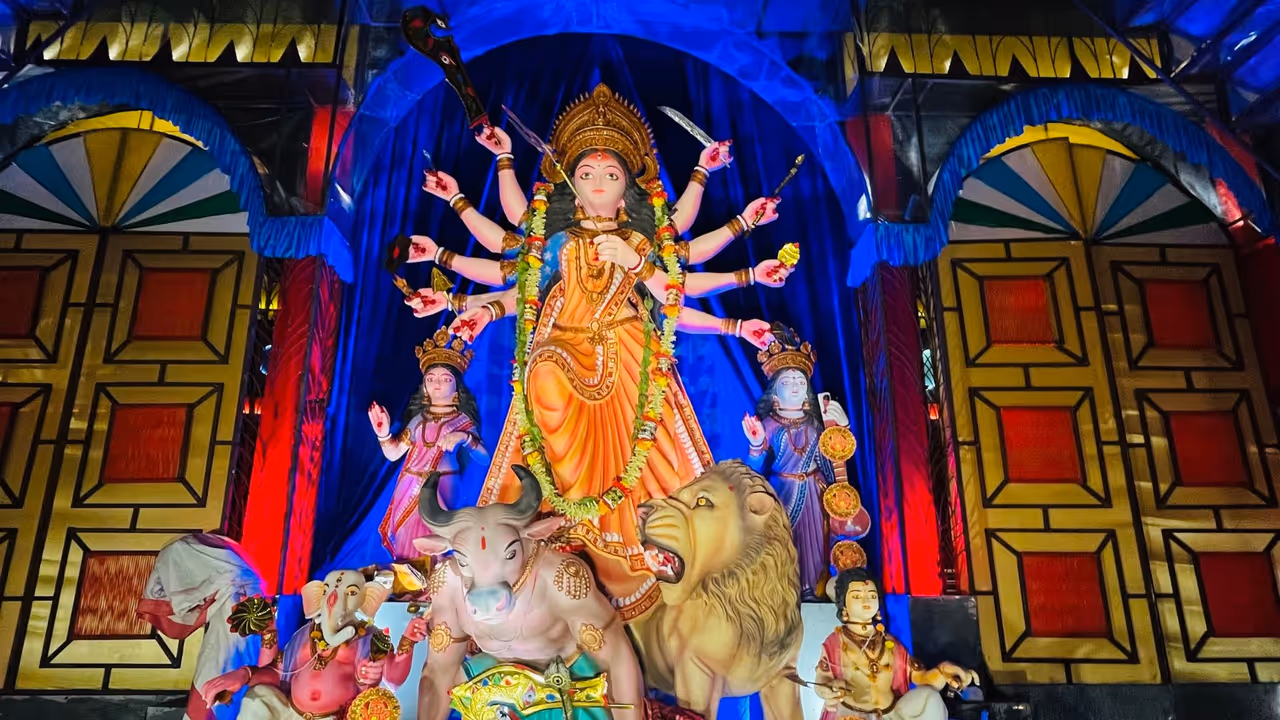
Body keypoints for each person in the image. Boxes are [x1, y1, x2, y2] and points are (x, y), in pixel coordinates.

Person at [402, 84, 789, 620]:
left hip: (628, 353)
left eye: (610, 174)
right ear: (572, 185)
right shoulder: (555, 242)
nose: (598, 182)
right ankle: (561, 528)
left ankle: (639, 545)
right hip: (561, 346)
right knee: (543, 373)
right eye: (585, 174)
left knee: (642, 452)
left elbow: (677, 287)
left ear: (628, 187)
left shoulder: (641, 241)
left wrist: (735, 303)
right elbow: (508, 271)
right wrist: (469, 301)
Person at [744, 326, 866, 600]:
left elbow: (833, 456)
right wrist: (756, 443)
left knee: (815, 545)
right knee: (783, 541)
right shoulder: (769, 424)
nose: (795, 386)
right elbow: (752, 470)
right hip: (781, 491)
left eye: (800, 381)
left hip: (814, 491)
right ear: (775, 394)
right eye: (787, 382)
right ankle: (783, 593)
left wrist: (840, 428)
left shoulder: (816, 423)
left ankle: (812, 590)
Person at [368, 327, 487, 562]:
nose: (437, 384)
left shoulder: (462, 421)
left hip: (444, 487)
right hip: (409, 487)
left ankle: (440, 581)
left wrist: (464, 438)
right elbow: (394, 453)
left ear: (456, 387)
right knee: (407, 548)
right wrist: (383, 434)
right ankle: (409, 581)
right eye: (431, 379)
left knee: (439, 545)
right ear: (424, 386)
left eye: (445, 379)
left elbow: (484, 458)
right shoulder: (418, 420)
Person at [813, 568, 979, 720]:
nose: (866, 600)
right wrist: (828, 690)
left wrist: (943, 671)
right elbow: (821, 681)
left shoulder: (889, 643)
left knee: (930, 698)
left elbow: (921, 678)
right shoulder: (835, 642)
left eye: (872, 595)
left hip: (891, 714)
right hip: (852, 715)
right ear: (844, 606)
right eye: (857, 596)